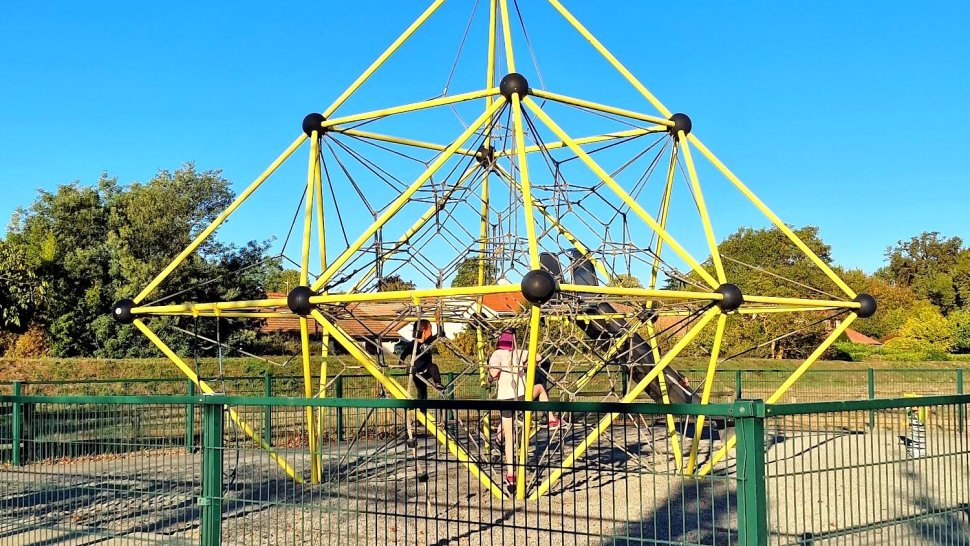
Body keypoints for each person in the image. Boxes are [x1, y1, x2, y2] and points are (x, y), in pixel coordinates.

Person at [488, 329, 559, 491]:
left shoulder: (496, 354)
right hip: (520, 395)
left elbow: (493, 373)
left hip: (504, 398)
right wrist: (523, 364)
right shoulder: (519, 352)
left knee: (510, 437)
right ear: (513, 341)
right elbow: (539, 357)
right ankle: (551, 418)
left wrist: (497, 373)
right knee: (540, 388)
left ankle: (511, 475)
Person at [398, 319, 443, 400]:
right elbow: (404, 353)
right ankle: (421, 408)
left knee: (433, 367)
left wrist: (438, 322)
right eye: (429, 330)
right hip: (417, 370)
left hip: (427, 369)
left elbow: (441, 334)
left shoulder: (429, 340)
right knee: (422, 393)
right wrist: (400, 362)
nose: (431, 332)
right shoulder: (413, 343)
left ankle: (437, 383)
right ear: (423, 331)